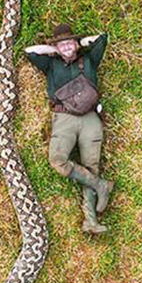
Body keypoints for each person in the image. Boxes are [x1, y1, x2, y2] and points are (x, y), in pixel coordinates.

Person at [24, 24, 114, 234]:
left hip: (91, 117)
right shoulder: (50, 64)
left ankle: (91, 221)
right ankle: (101, 185)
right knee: (57, 160)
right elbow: (30, 51)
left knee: (91, 166)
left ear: (75, 43)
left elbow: (102, 38)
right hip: (64, 118)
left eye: (69, 42)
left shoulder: (89, 59)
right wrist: (55, 48)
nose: (65, 47)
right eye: (61, 44)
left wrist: (80, 44)